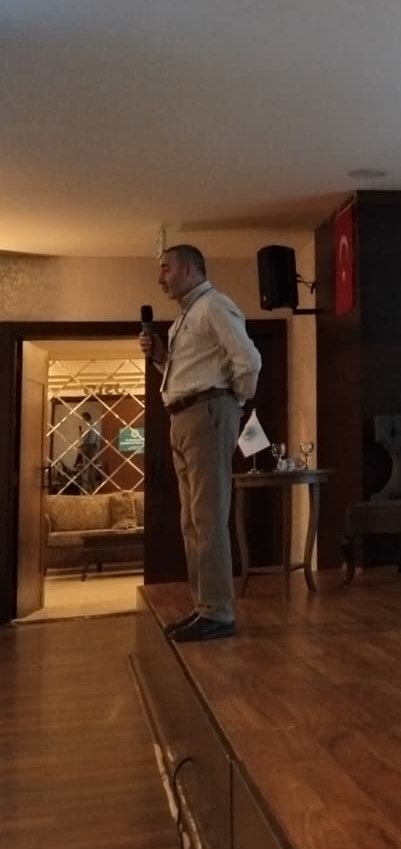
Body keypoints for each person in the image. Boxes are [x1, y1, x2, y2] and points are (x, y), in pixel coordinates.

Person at [140, 244, 261, 643]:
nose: (160, 278)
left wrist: (233, 402)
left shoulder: (213, 306)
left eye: (166, 268)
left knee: (207, 518)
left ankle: (218, 612)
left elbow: (249, 360)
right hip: (183, 417)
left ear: (191, 270)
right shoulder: (184, 318)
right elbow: (190, 372)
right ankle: (205, 605)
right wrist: (161, 356)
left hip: (207, 413)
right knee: (191, 521)